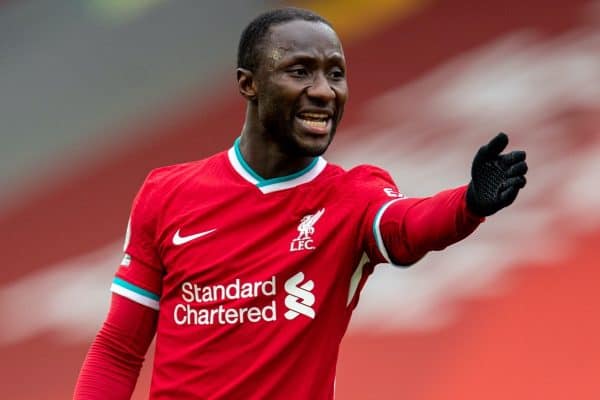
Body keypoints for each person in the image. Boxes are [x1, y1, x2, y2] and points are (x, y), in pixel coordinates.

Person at [74, 7, 527, 400]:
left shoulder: (354, 195)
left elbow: (407, 227)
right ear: (248, 85)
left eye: (335, 73)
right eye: (300, 71)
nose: (325, 91)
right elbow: (119, 349)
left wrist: (468, 203)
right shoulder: (166, 193)